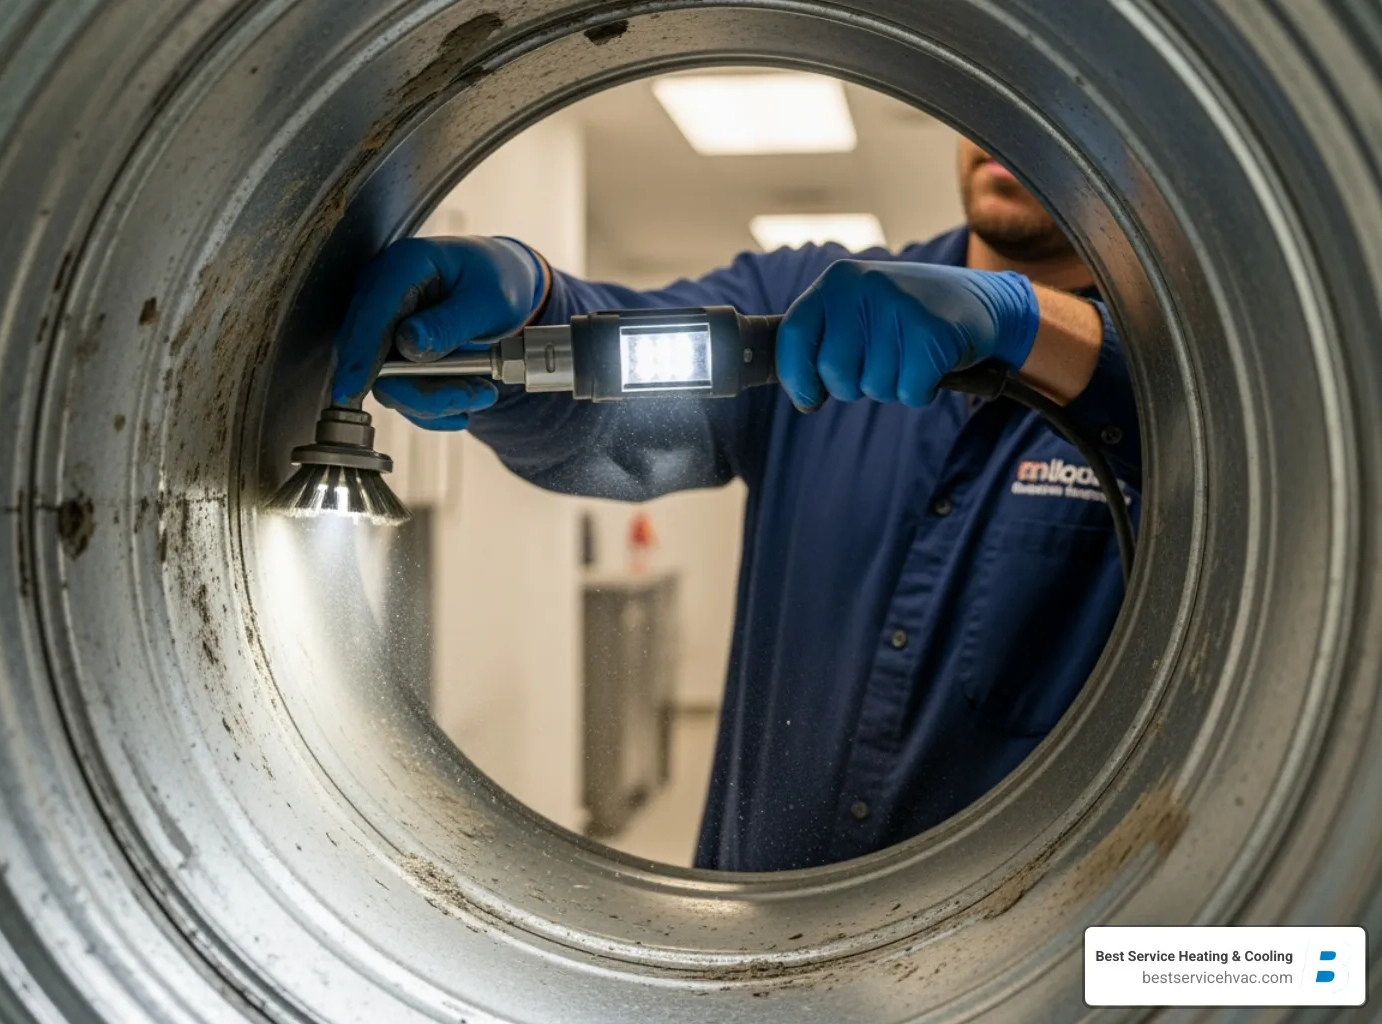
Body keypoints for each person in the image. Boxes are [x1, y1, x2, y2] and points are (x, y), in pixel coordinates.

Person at [331, 138, 1138, 872]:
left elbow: (1235, 457)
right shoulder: (811, 307)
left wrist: (1043, 336)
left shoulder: (1195, 399)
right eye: (985, 98)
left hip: (1015, 959)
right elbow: (615, 398)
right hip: (755, 940)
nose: (1001, 130)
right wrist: (533, 307)